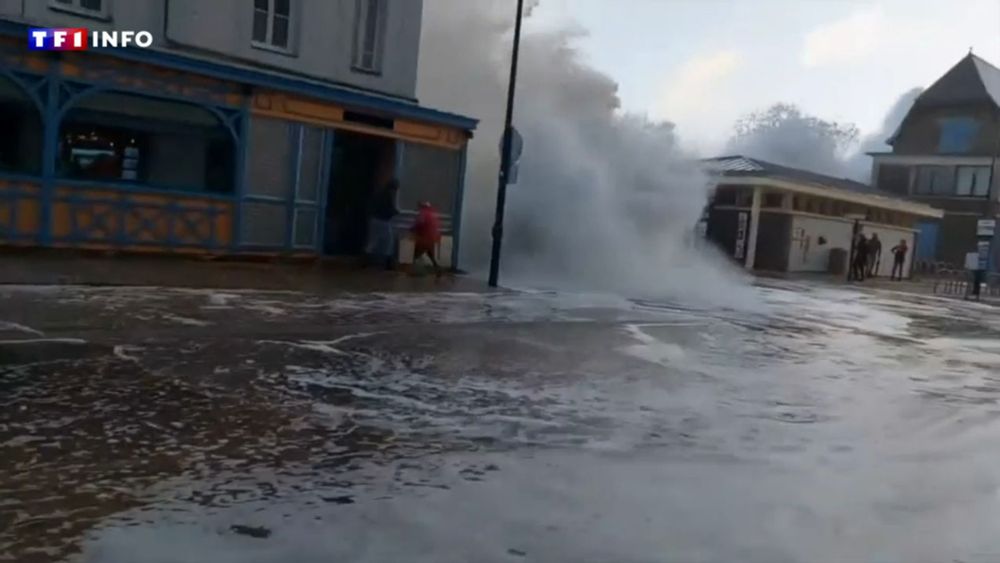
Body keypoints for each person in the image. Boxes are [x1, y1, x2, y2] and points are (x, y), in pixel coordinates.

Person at [367, 178, 400, 270]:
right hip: (383, 221)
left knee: (372, 242)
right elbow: (391, 210)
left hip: (374, 220)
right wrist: (396, 211)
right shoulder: (389, 196)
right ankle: (387, 264)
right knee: (389, 242)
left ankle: (366, 261)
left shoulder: (379, 193)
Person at [410, 201, 442, 277]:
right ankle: (438, 270)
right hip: (432, 239)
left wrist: (411, 228)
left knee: (415, 256)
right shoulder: (433, 214)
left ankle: (415, 272)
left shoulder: (423, 213)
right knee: (431, 256)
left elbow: (419, 223)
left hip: (424, 239)